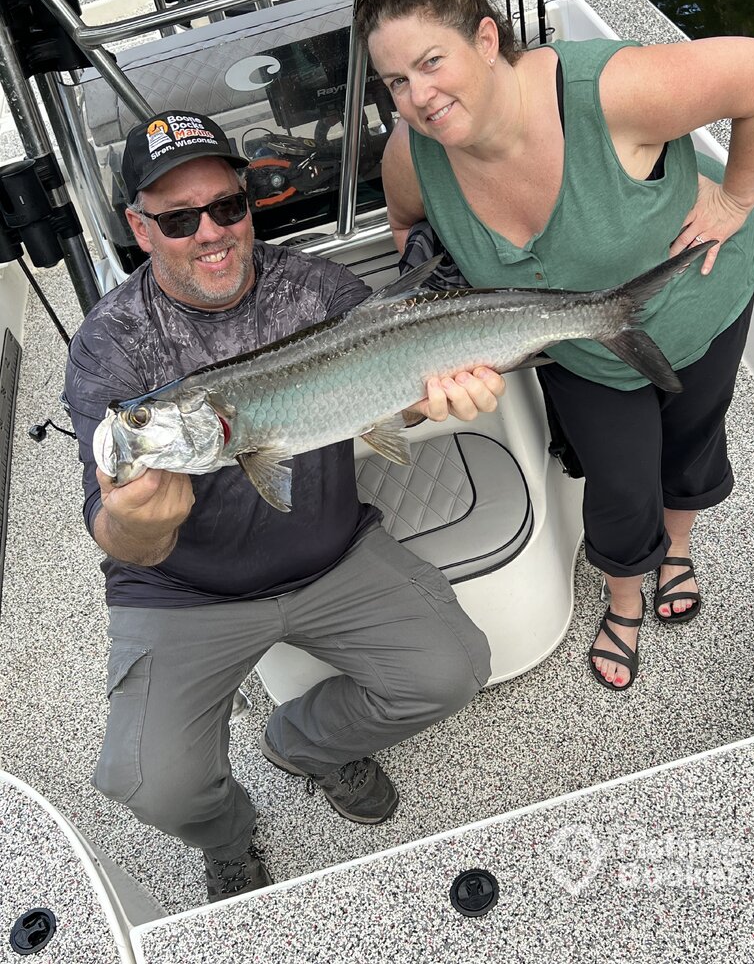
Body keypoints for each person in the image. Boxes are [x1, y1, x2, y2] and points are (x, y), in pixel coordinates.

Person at [63, 109, 503, 902]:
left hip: (332, 553)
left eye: (226, 206)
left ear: (247, 204)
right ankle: (227, 836)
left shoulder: (318, 289)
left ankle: (304, 743)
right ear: (139, 227)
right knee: (154, 786)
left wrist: (426, 400)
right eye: (179, 218)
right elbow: (119, 537)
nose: (210, 232)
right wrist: (138, 523)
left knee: (454, 671)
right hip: (186, 587)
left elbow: (387, 401)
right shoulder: (111, 342)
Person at [354, 0, 754, 693]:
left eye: (431, 62)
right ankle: (625, 599)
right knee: (619, 480)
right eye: (395, 81)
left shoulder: (610, 92)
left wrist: (734, 198)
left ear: (485, 39)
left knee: (691, 438)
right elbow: (406, 232)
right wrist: (442, 323)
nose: (417, 97)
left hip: (701, 301)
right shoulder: (412, 155)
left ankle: (677, 551)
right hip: (578, 349)